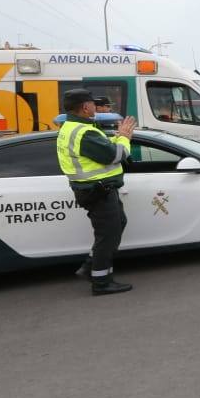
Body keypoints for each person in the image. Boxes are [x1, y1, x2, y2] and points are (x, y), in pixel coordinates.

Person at [56, 88, 137, 296]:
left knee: (117, 225)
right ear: (85, 107)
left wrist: (117, 136)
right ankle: (101, 282)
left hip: (97, 190)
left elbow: (102, 151)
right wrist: (125, 137)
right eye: (93, 103)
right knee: (108, 235)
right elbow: (115, 154)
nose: (96, 106)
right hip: (98, 191)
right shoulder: (84, 132)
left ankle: (90, 267)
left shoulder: (75, 128)